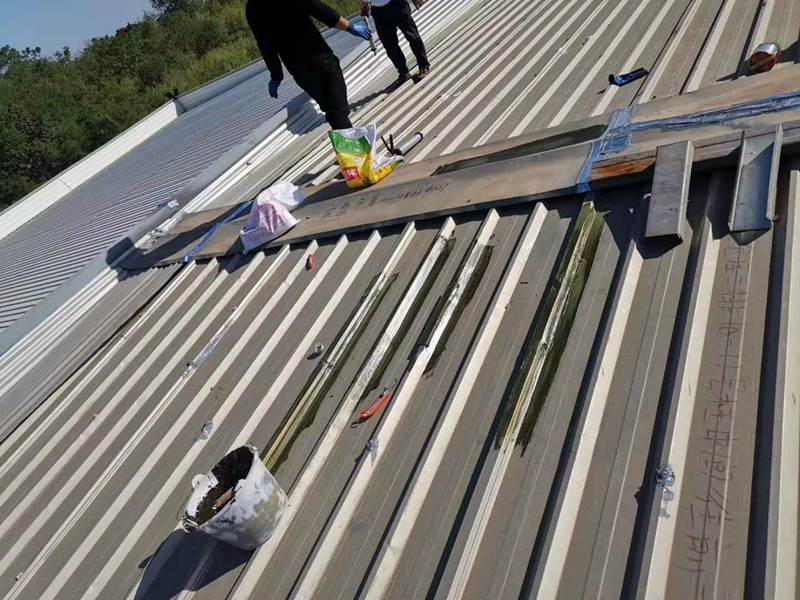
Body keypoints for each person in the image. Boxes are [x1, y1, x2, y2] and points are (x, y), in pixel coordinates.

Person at [245, 0, 372, 130]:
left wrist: (276, 75)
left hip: (299, 71)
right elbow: (321, 11)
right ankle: (349, 142)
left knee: (332, 110)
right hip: (320, 59)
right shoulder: (253, 8)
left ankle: (347, 139)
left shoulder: (252, 8)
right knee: (338, 111)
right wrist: (349, 26)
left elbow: (265, 45)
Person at [361, 0, 430, 85]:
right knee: (389, 45)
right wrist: (364, 2)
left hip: (397, 4)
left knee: (413, 36)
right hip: (378, 10)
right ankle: (403, 72)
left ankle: (423, 66)